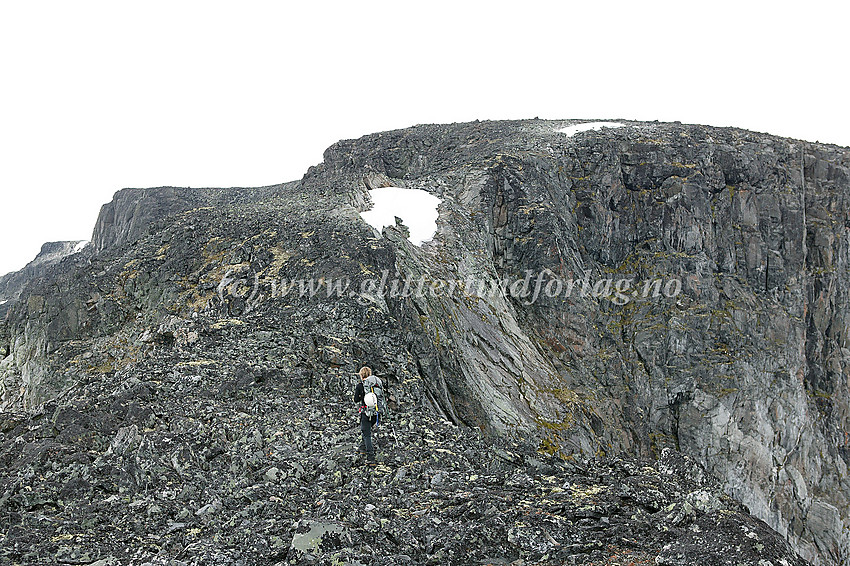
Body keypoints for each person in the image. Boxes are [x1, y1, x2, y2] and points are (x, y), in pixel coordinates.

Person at [354, 366, 379, 464]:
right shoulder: (375, 385)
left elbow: (356, 399)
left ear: (361, 375)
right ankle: (362, 448)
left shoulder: (360, 386)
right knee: (366, 430)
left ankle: (371, 457)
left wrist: (361, 395)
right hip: (375, 413)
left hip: (365, 412)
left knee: (367, 434)